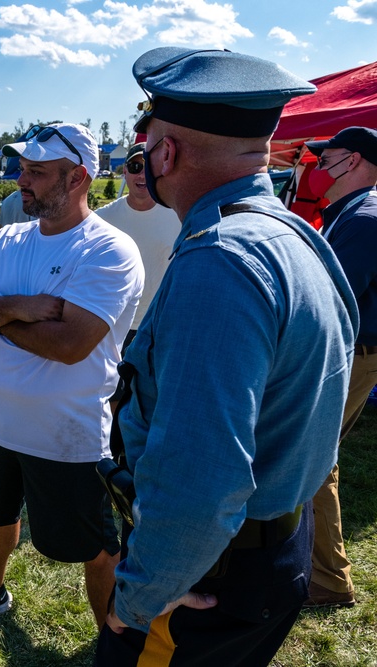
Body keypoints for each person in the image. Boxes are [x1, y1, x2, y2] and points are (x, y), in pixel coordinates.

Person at [96, 48, 357, 666]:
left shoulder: (220, 261)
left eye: (149, 141)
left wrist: (140, 596)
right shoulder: (294, 233)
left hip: (207, 571)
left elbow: (200, 475)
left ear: (167, 153)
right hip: (272, 544)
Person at [0, 123, 143, 631]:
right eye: (22, 168)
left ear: (77, 178)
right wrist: (21, 308)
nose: (20, 180)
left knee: (96, 548)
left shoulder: (108, 250)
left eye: (36, 172)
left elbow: (69, 345)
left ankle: (110, 638)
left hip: (68, 438)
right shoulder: (9, 238)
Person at [302, 126, 377, 609]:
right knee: (312, 457)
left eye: (323, 158)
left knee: (308, 456)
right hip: (358, 351)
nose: (315, 167)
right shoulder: (357, 212)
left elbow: (331, 301)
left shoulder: (365, 218)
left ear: (350, 161)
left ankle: (327, 580)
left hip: (354, 352)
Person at [95, 142, 179, 379]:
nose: (141, 174)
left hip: (159, 325)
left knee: (151, 398)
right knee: (112, 395)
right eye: (134, 167)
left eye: (148, 167)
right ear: (124, 173)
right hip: (113, 325)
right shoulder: (103, 220)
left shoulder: (178, 215)